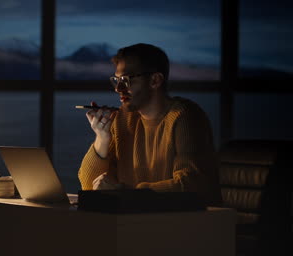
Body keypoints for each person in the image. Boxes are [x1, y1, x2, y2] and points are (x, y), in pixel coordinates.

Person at [78, 43, 222, 206]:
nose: (118, 88)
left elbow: (191, 186)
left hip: (183, 224)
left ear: (155, 80)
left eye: (125, 80)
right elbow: (88, 186)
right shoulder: (123, 119)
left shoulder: (184, 116)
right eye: (116, 80)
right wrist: (102, 139)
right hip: (137, 220)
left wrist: (128, 194)